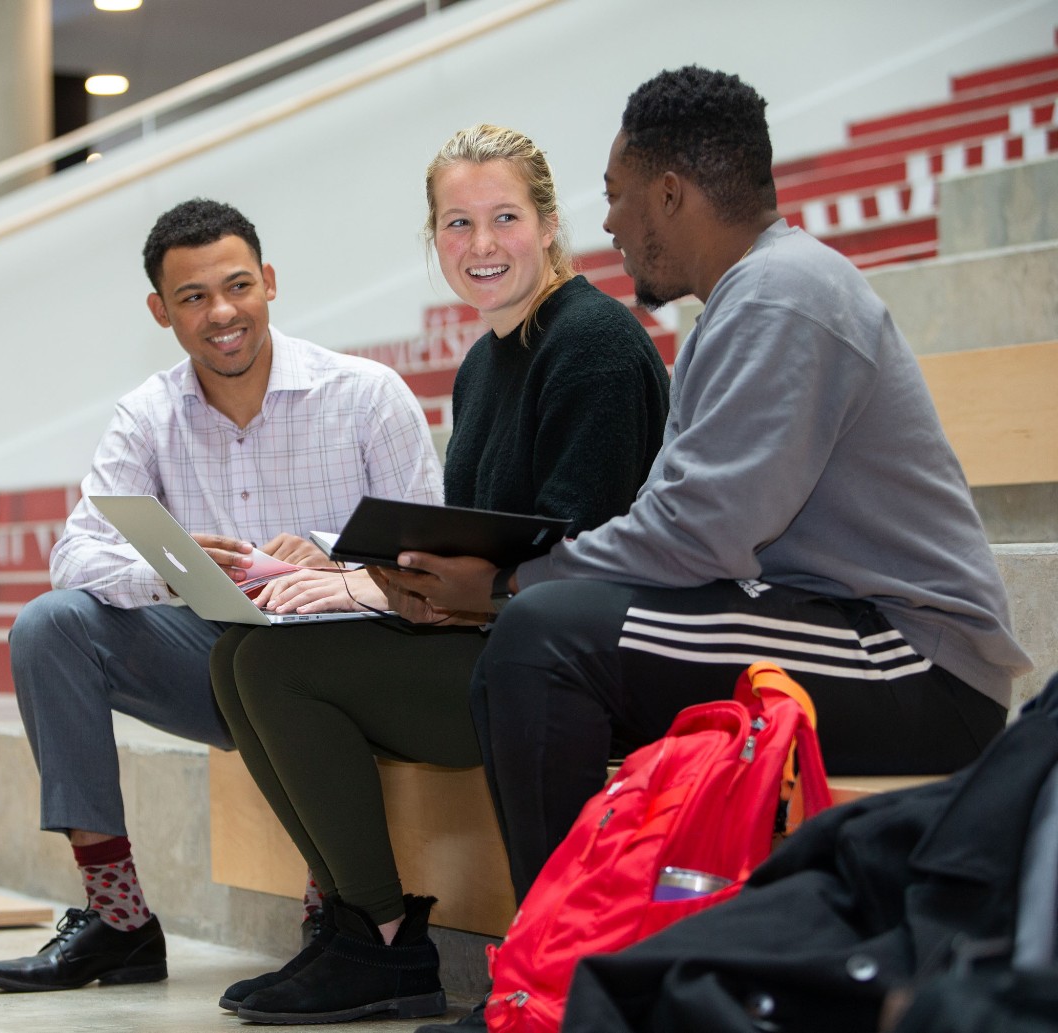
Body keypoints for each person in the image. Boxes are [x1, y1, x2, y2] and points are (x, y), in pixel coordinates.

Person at [382, 66, 1033, 929]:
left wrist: (507, 586)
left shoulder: (783, 294)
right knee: (541, 645)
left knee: (542, 637)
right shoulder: (749, 296)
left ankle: (565, 976)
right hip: (829, 623)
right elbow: (686, 528)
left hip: (915, 662)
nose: (609, 224)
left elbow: (698, 536)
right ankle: (583, 956)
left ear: (671, 192)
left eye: (618, 198)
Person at [208, 124, 670, 1024]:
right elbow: (469, 541)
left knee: (273, 666)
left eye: (504, 217)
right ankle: (360, 929)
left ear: (546, 223)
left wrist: (375, 589)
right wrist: (355, 565)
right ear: (434, 240)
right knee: (235, 655)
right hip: (496, 636)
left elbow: (572, 553)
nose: (482, 245)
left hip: (576, 665)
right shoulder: (483, 364)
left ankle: (379, 938)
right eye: (457, 224)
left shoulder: (595, 346)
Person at [0, 198, 444, 993]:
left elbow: (426, 556)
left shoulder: (367, 395)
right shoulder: (149, 416)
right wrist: (173, 571)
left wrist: (329, 561)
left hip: (346, 662)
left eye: (238, 286)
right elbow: (75, 552)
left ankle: (338, 912)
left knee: (283, 658)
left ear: (271, 284)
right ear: (161, 310)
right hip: (215, 654)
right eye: (193, 297)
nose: (222, 313)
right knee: (50, 627)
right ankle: (116, 917)